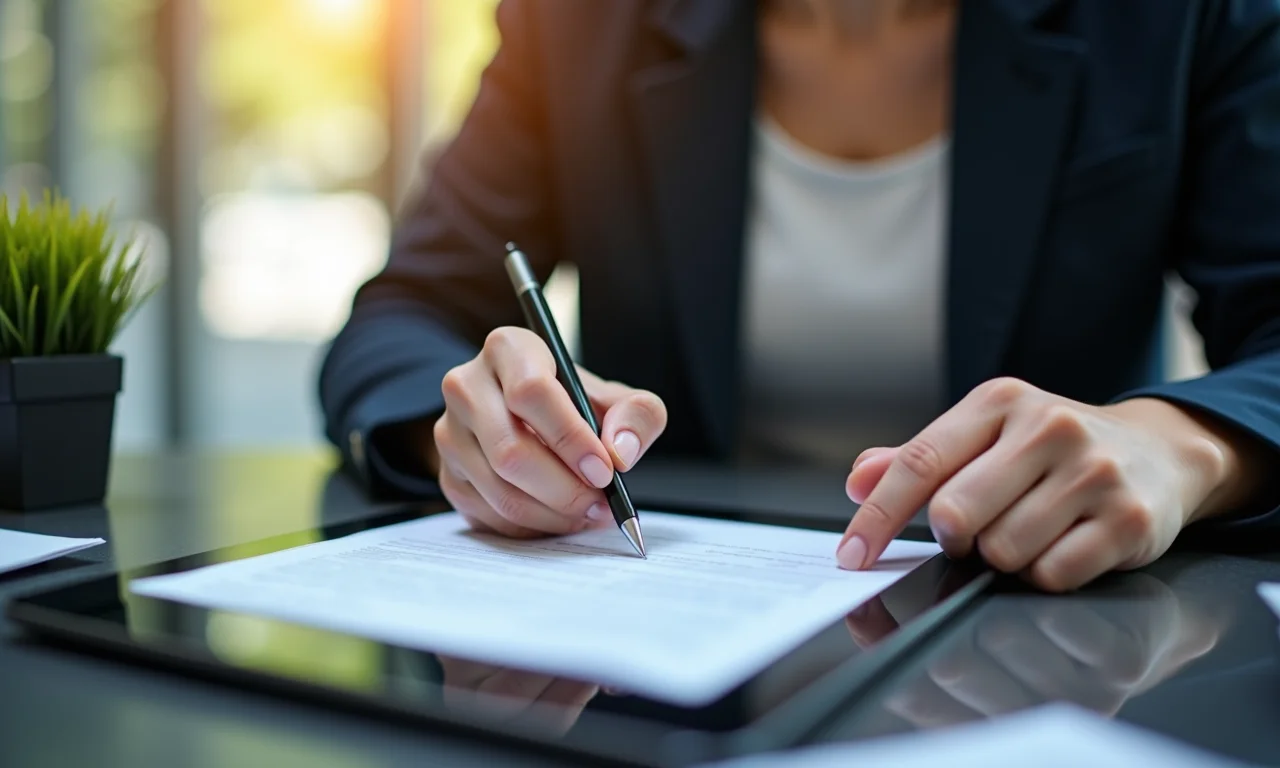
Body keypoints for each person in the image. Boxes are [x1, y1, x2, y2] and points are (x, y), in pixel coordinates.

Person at [319, 0, 1280, 592]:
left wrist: (1185, 447)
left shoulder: (1182, 15)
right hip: (667, 631)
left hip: (1045, 620)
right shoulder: (579, 20)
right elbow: (403, 315)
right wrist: (476, 439)